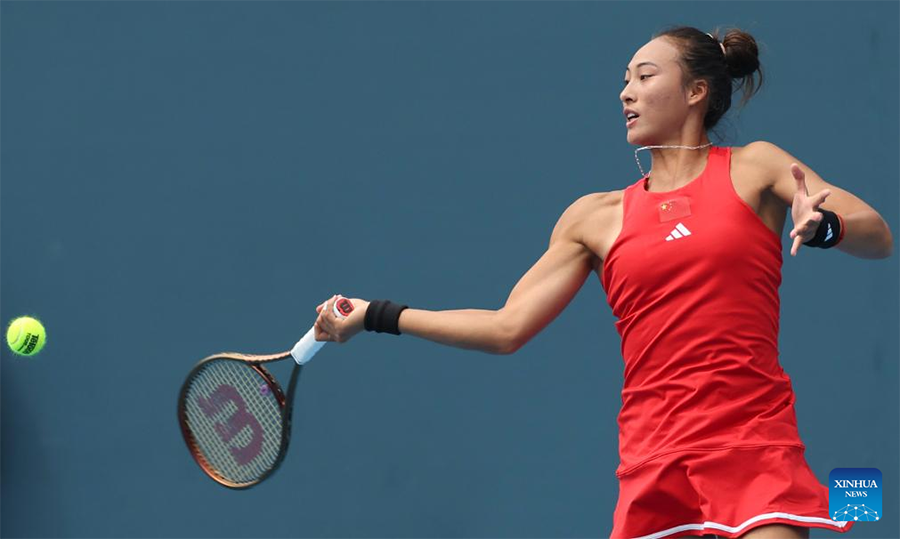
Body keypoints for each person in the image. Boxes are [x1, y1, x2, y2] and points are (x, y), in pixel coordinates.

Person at [310, 25, 893, 539]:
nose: (626, 93)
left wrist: (825, 228)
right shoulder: (594, 217)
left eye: (644, 76)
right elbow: (505, 327)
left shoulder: (757, 166)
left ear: (696, 92)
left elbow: (877, 235)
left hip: (754, 443)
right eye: (624, 81)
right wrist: (374, 313)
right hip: (654, 460)